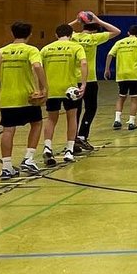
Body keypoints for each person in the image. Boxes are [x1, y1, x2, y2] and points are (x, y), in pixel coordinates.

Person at [0, 21, 48, 178]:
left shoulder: (1, 51)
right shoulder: (31, 50)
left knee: (8, 130)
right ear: (30, 34)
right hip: (27, 96)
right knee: (36, 124)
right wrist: (44, 87)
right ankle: (28, 158)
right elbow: (37, 66)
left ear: (12, 33)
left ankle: (6, 167)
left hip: (7, 97)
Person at [70, 12, 121, 152]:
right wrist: (99, 20)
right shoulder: (94, 38)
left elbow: (61, 31)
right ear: (95, 29)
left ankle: (72, 140)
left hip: (73, 79)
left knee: (75, 110)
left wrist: (76, 21)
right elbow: (117, 31)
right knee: (91, 108)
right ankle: (82, 136)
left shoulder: (73, 37)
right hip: (89, 79)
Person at [40, 24, 87, 167]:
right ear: (71, 35)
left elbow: (38, 67)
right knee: (72, 117)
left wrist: (40, 87)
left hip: (51, 89)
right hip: (70, 89)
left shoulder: (46, 49)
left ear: (56, 35)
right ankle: (69, 150)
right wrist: (83, 84)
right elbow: (84, 63)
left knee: (51, 119)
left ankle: (47, 147)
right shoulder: (76, 47)